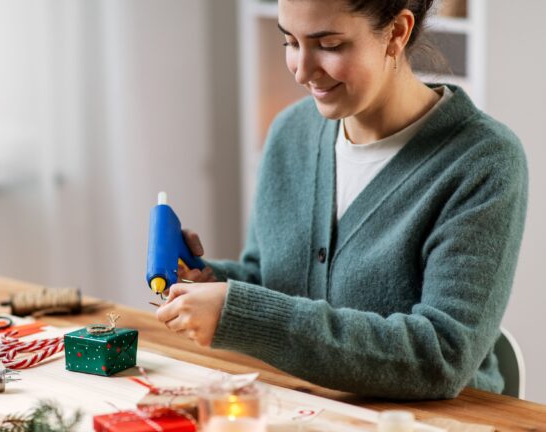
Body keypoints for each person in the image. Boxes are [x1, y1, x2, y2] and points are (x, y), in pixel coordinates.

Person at [155, 0, 528, 399]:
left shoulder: (481, 161)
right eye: (289, 41)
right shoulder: (290, 132)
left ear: (397, 32)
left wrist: (240, 314)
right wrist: (209, 281)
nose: (301, 71)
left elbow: (441, 355)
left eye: (329, 45)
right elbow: (272, 280)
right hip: (303, 417)